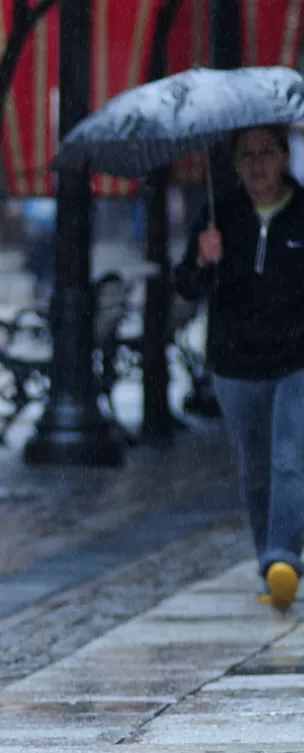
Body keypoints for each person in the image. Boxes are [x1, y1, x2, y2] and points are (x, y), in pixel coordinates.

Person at [176, 124, 304, 612]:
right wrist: (204, 261)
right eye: (246, 155)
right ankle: (268, 563)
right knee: (255, 469)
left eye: (266, 152)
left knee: (290, 458)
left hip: (296, 358)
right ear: (235, 164)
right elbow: (186, 285)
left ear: (284, 156)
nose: (257, 164)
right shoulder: (219, 213)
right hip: (235, 360)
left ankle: (283, 557)